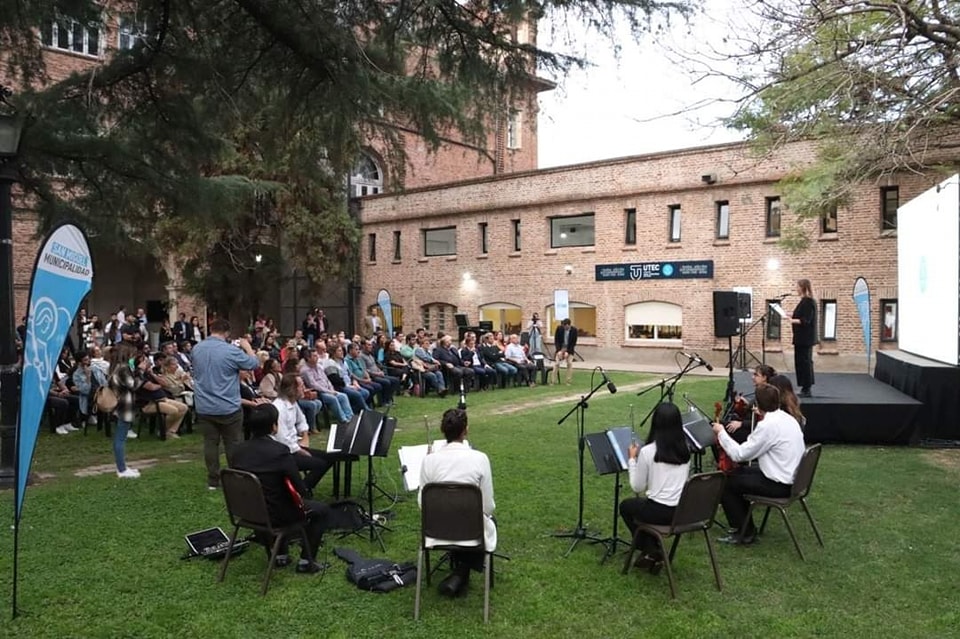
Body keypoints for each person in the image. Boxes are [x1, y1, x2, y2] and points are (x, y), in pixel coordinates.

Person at [231, 404, 330, 573]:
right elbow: (300, 488)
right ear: (274, 426)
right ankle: (307, 561)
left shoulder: (237, 451)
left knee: (274, 498)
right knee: (321, 510)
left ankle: (280, 555)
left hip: (247, 511)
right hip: (275, 515)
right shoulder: (279, 451)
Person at [711, 383, 805, 544]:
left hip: (780, 484)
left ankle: (745, 533)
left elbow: (739, 454)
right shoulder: (787, 418)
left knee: (725, 482)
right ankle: (745, 527)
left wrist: (721, 432)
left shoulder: (768, 425)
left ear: (758, 405)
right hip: (793, 479)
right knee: (736, 473)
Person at [419, 408, 496, 597]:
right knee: (486, 521)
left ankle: (461, 571)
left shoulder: (429, 460)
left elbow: (422, 503)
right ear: (466, 430)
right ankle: (462, 570)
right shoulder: (480, 458)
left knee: (465, 519)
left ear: (442, 431)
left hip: (436, 531)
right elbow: (488, 506)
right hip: (472, 532)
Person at [619, 402, 690, 574]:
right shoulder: (685, 449)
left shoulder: (648, 451)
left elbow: (637, 487)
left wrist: (632, 459)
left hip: (659, 511)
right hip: (683, 512)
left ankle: (651, 549)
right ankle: (652, 550)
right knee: (642, 506)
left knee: (626, 506)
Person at [191, 318, 260, 490]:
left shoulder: (197, 349)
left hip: (204, 404)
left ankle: (213, 480)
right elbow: (253, 364)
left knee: (210, 443)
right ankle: (235, 477)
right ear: (227, 333)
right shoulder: (230, 351)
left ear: (211, 330)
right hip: (228, 404)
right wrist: (247, 347)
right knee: (233, 443)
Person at [272, 374, 334, 496]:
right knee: (320, 464)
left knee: (329, 457)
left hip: (295, 446)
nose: (304, 389)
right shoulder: (279, 408)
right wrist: (301, 450)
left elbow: (302, 420)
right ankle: (301, 491)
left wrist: (305, 436)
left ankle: (302, 488)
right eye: (301, 386)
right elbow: (282, 439)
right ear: (292, 389)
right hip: (284, 453)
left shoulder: (293, 403)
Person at [108, 344, 142, 478]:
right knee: (120, 437)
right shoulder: (123, 368)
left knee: (121, 436)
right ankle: (121, 469)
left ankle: (122, 466)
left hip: (120, 404)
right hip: (125, 404)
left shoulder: (114, 367)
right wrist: (140, 371)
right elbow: (133, 385)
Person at [790, 278, 817, 397]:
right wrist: (790, 315)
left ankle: (807, 388)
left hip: (805, 339)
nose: (796, 289)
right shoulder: (804, 302)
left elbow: (806, 320)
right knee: (801, 362)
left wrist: (792, 320)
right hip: (801, 338)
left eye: (797, 287)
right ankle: (804, 387)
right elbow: (800, 315)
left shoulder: (808, 302)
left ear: (803, 288)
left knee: (805, 362)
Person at [552, 318, 578, 385]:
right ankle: (553, 381)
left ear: (568, 325)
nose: (564, 327)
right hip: (561, 348)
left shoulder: (574, 330)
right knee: (557, 363)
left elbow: (573, 343)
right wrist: (559, 351)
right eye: (563, 326)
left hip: (569, 348)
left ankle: (568, 381)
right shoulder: (559, 329)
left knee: (569, 363)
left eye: (565, 326)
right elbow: (556, 340)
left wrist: (568, 352)